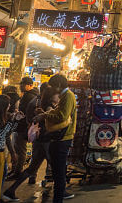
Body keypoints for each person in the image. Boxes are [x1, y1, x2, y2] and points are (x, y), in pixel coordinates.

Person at [4, 86, 59, 201]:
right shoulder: (48, 108)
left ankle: (11, 190)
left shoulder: (40, 104)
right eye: (57, 95)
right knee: (56, 167)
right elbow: (51, 123)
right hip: (46, 141)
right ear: (51, 96)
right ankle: (61, 191)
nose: (59, 97)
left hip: (40, 141)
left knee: (32, 168)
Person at [35, 74, 77, 202]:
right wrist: (45, 114)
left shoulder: (68, 96)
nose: (52, 89)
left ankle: (58, 199)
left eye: (53, 86)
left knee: (59, 172)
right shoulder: (65, 96)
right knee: (57, 171)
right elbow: (59, 113)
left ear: (58, 85)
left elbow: (62, 116)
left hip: (63, 137)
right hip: (60, 137)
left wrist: (44, 116)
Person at [10, 77, 38, 180]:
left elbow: (26, 113)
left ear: (30, 85)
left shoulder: (29, 96)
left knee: (20, 151)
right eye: (21, 84)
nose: (21, 86)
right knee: (20, 150)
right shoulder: (32, 96)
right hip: (25, 128)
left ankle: (18, 172)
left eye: (23, 84)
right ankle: (19, 171)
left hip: (23, 128)